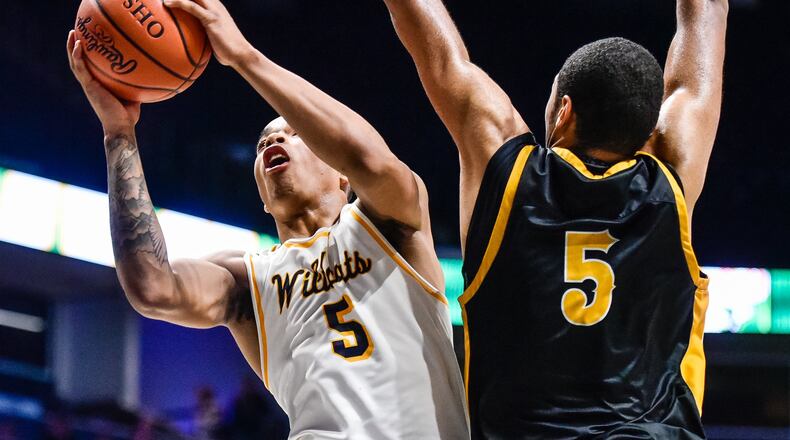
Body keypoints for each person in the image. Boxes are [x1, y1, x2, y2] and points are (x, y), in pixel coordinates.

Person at [65, 0, 468, 437]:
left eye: (296, 134)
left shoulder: (392, 224)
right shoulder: (247, 280)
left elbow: (366, 156)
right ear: (260, 195)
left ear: (342, 178)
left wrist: (244, 57)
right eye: (264, 142)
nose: (275, 139)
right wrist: (119, 133)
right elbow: (152, 288)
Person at [384, 0, 727, 437]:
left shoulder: (508, 176)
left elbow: (442, 57)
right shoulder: (671, 177)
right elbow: (706, 24)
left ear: (563, 110)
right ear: (648, 131)